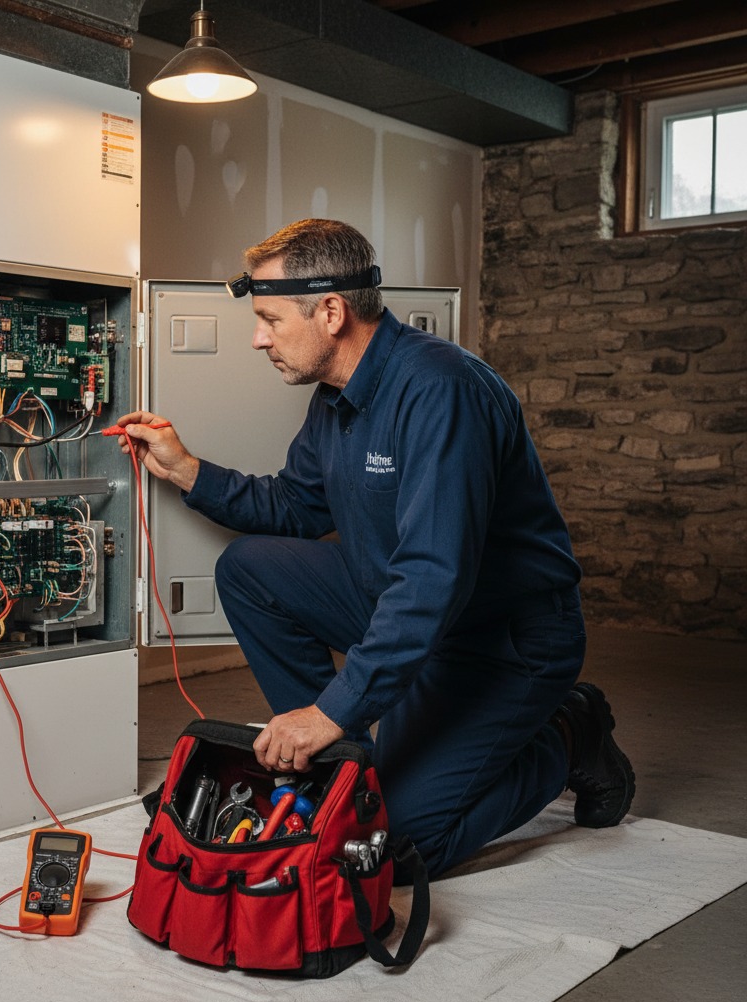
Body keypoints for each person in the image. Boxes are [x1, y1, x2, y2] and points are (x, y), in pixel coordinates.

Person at [116, 219, 635, 878]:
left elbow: (431, 581)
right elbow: (294, 507)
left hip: (503, 640)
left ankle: (571, 734)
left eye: (271, 320)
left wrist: (332, 709)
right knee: (251, 570)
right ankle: (341, 770)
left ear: (331, 311)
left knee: (395, 846)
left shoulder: (441, 390)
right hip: (402, 605)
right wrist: (186, 469)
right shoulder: (336, 397)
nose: (258, 338)